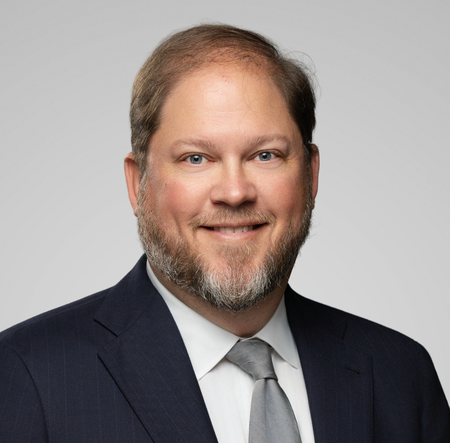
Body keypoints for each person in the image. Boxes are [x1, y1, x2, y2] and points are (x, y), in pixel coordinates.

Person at [0, 24, 448, 443]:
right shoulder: (28, 374)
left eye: (266, 155)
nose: (234, 192)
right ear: (138, 184)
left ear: (311, 174)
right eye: (196, 158)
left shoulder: (400, 372)